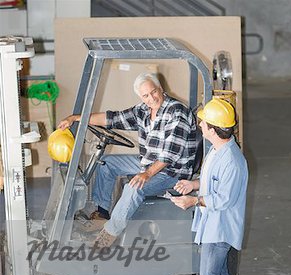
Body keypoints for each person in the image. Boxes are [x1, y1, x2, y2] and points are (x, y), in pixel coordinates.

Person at [58, 72, 197, 247]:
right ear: (141, 97)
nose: (151, 98)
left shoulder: (176, 112)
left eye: (154, 92)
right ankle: (102, 214)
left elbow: (169, 155)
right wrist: (76, 118)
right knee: (107, 164)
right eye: (145, 95)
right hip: (148, 162)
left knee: (134, 187)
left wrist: (146, 174)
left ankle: (107, 236)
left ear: (161, 89)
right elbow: (112, 118)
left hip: (172, 172)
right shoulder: (143, 110)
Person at [171, 98, 248, 275]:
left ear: (213, 128)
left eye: (204, 122)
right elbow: (212, 183)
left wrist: (194, 200)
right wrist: (193, 185)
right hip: (212, 224)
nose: (200, 124)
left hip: (221, 229)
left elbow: (224, 198)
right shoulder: (218, 149)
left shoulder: (233, 161)